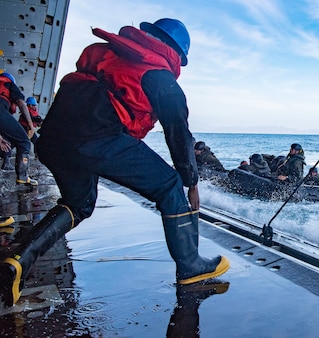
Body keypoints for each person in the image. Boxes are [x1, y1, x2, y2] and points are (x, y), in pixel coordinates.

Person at [0, 18, 230, 308]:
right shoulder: (159, 76)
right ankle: (191, 266)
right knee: (169, 184)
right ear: (176, 54)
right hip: (95, 137)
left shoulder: (108, 54)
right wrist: (191, 181)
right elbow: (178, 133)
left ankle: (19, 260)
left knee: (78, 203)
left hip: (53, 140)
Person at [0, 72, 37, 184]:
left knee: (6, 143)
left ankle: (5, 159)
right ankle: (23, 177)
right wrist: (31, 125)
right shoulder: (9, 84)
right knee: (24, 142)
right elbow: (21, 103)